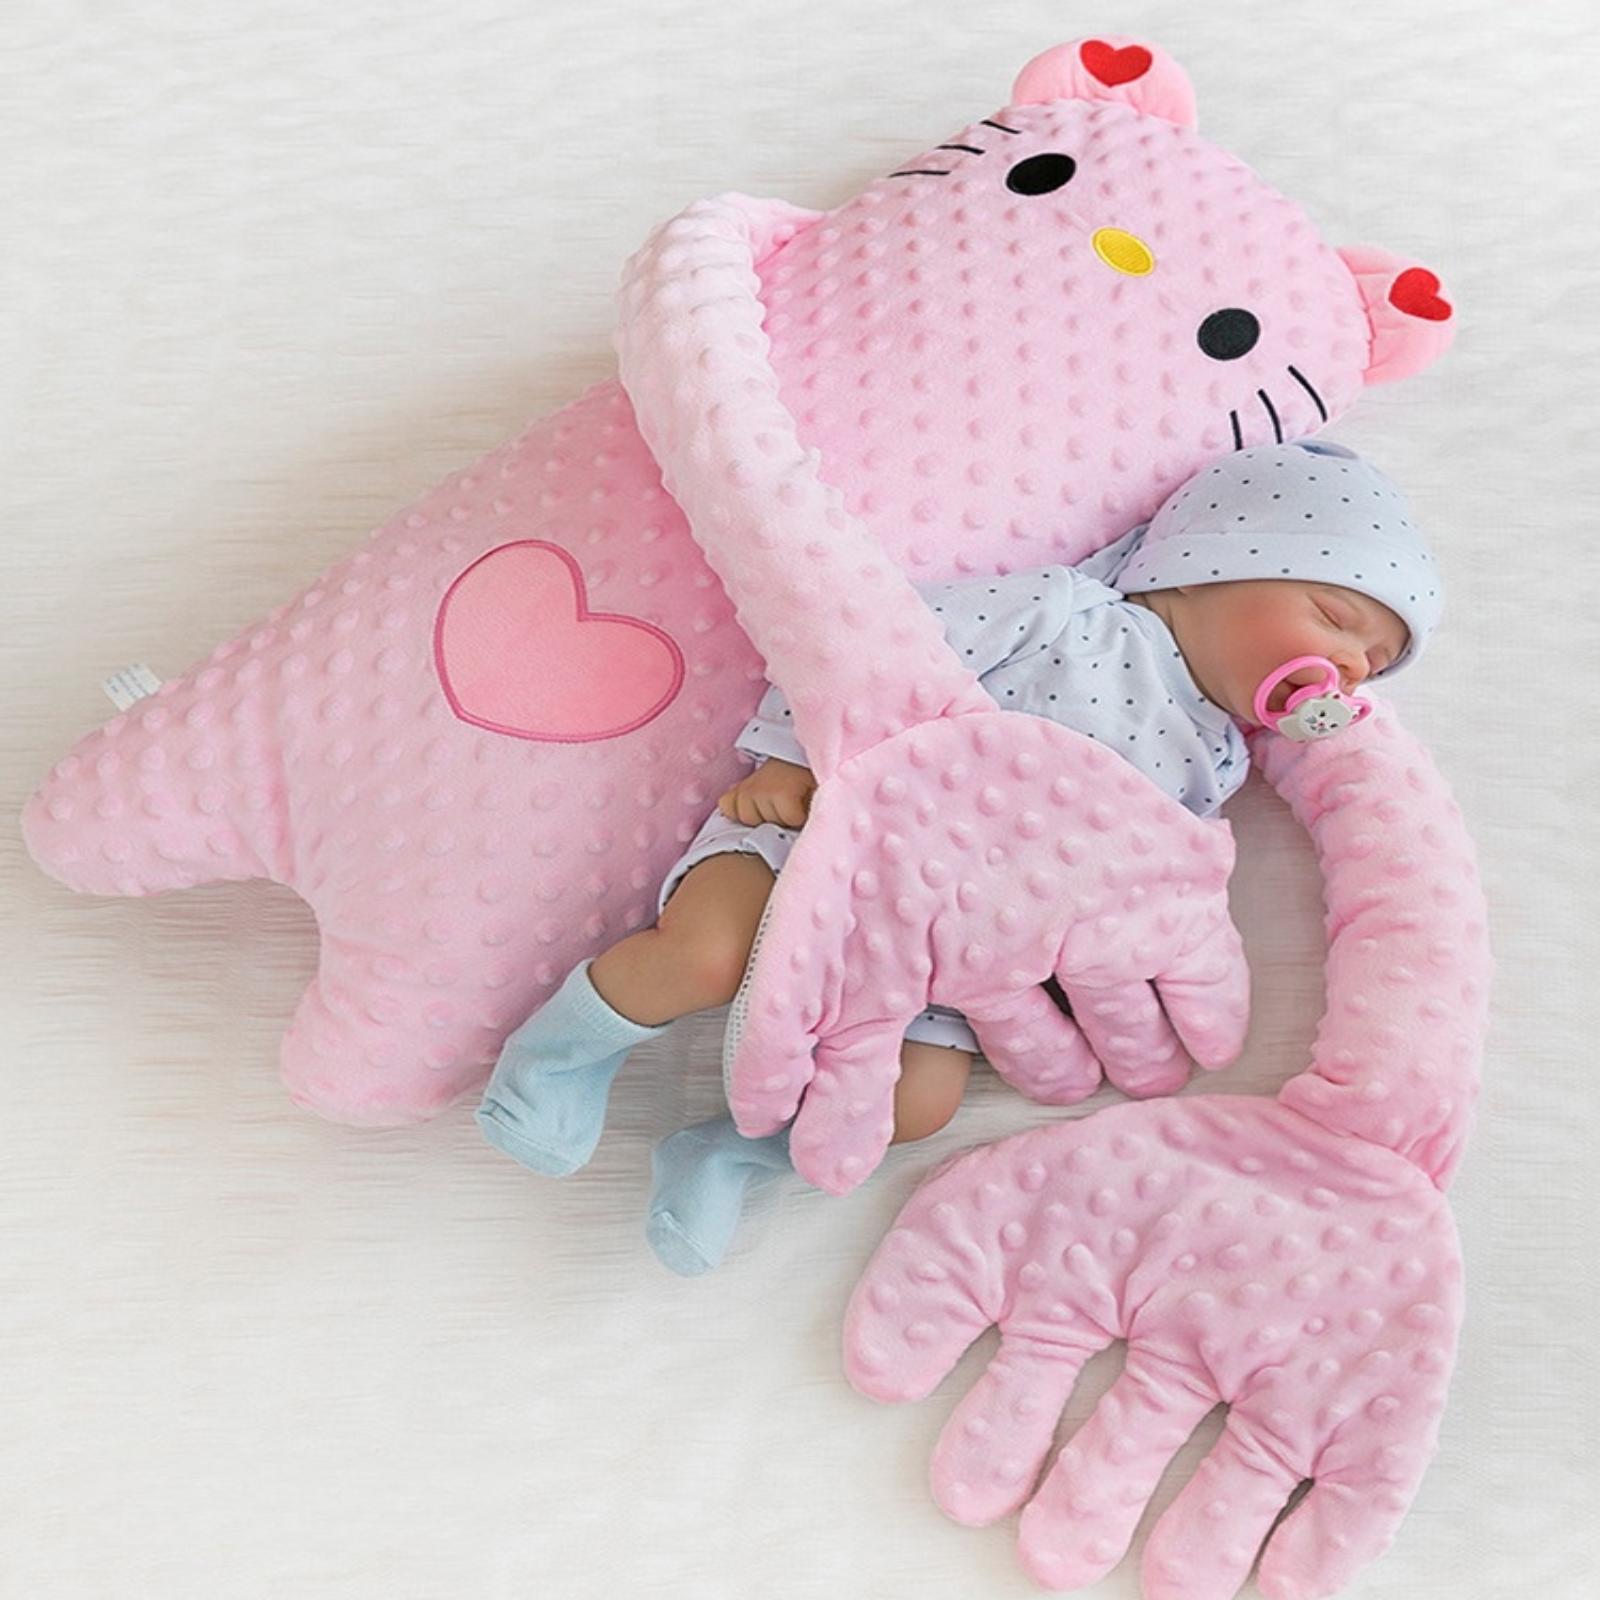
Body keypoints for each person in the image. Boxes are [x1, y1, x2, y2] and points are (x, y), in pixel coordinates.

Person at [474, 440, 1444, 1271]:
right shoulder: (1063, 614)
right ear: (1208, 563)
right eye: (1335, 619)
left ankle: (724, 1155)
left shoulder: (1216, 759)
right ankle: (559, 1058)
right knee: (708, 953)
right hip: (828, 835)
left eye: (1374, 665)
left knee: (917, 1101)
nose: (1350, 670)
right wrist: (792, 757)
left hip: (953, 945)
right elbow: (871, 654)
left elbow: (1123, 881)